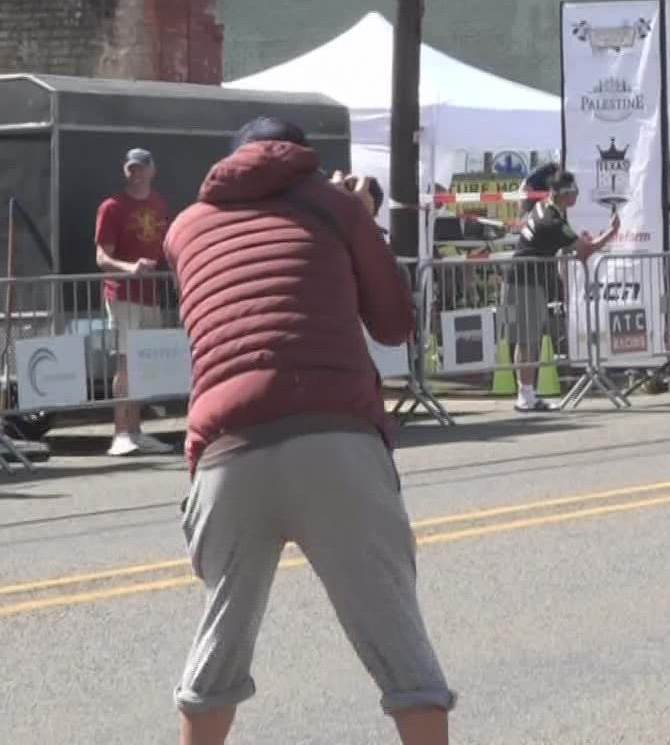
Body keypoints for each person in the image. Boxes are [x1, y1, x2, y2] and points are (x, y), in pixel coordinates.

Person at [163, 116, 454, 745]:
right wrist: (361, 217)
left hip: (226, 447)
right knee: (404, 657)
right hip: (335, 435)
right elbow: (394, 323)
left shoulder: (183, 228)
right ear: (302, 157)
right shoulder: (334, 205)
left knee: (216, 654)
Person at [505, 170, 619, 413]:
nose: (576, 196)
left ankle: (526, 394)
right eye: (575, 192)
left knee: (527, 340)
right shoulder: (553, 220)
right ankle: (525, 397)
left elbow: (565, 245)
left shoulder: (543, 207)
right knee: (528, 341)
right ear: (566, 194)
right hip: (527, 280)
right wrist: (611, 233)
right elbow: (585, 251)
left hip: (523, 277)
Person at [95, 146, 173, 456]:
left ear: (153, 170)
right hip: (122, 294)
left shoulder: (159, 203)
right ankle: (120, 433)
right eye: (131, 168)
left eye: (142, 167)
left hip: (150, 295)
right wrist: (131, 269)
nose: (137, 173)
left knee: (141, 363)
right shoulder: (112, 207)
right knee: (125, 362)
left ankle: (136, 431)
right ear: (125, 171)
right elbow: (101, 257)